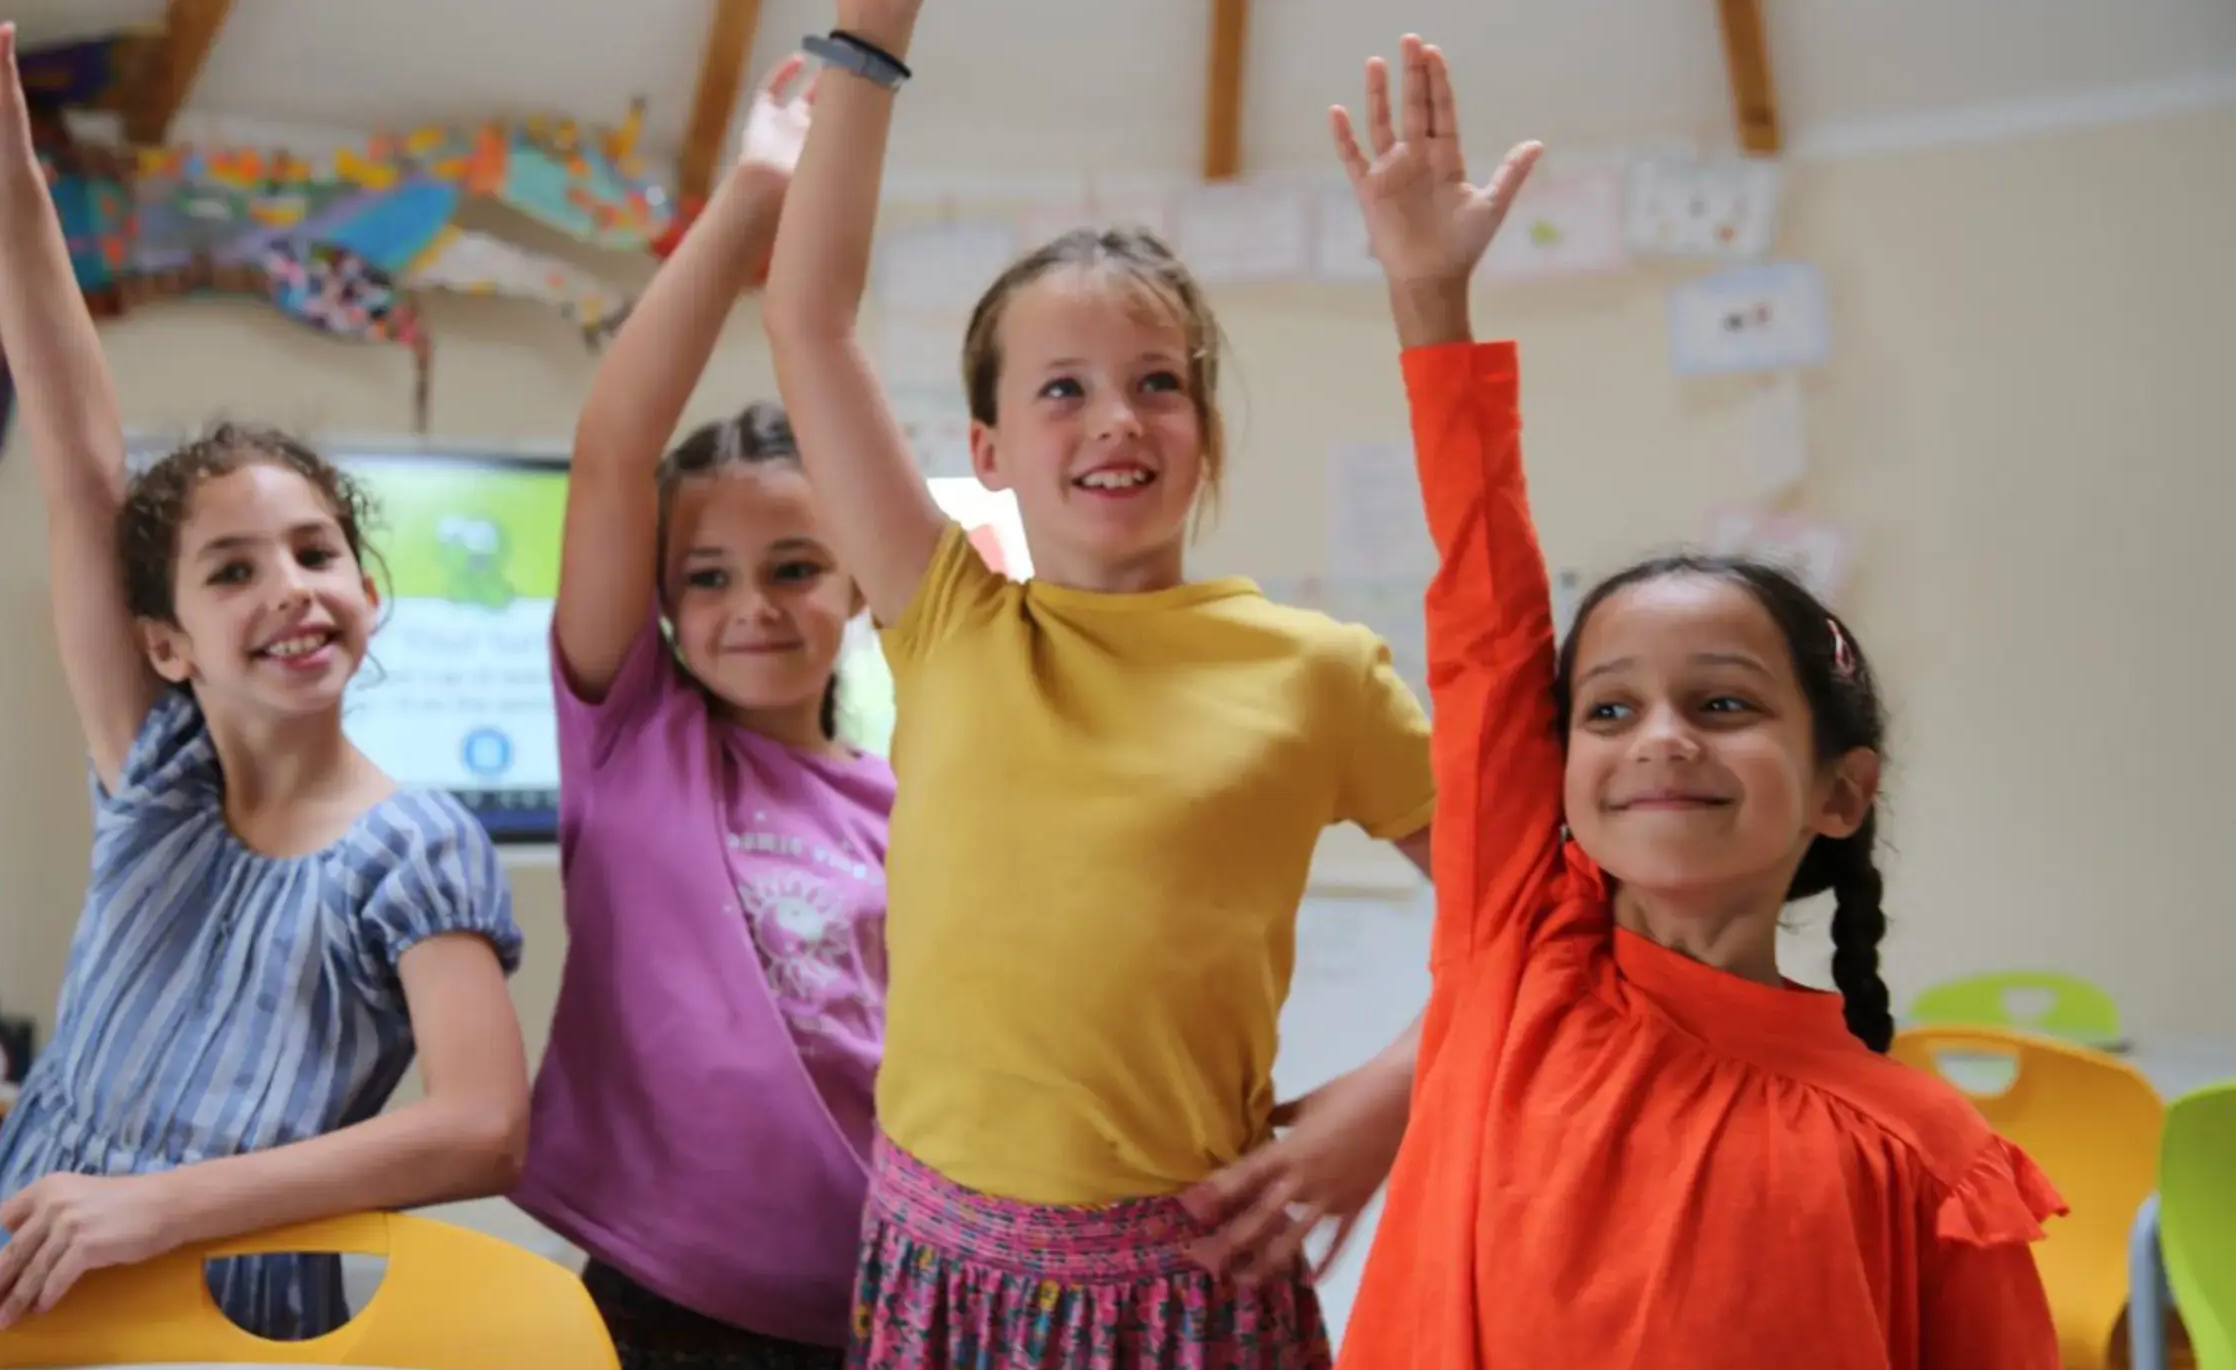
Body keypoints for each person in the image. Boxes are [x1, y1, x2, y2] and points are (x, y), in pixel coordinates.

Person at [1320, 35, 2066, 1369]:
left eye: (1722, 704)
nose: (1659, 734)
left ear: (1842, 787)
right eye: (1607, 710)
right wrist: (1430, 294)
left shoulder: (1928, 1157)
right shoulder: (1515, 947)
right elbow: (1486, 622)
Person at [761, 4, 1441, 1363]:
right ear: (989, 448)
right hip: (933, 1269)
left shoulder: (1317, 673)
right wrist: (867, 39)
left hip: (1188, 1280)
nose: (1118, 417)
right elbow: (807, 316)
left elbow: (1526, 915)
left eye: (1158, 384)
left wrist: (1394, 1094)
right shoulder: (947, 615)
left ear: (1206, 436)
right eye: (1062, 389)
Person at [0, 1, 528, 1358]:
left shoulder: (416, 847)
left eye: (315, 549)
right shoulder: (156, 775)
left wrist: (162, 1206)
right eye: (231, 569)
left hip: (225, 1309)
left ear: (366, 590)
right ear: (165, 640)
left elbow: (485, 1124)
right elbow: (78, 468)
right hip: (29, 1272)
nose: (291, 584)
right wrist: (8, 188)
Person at [510, 54, 894, 1370]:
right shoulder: (633, 740)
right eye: (707, 578)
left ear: (855, 581)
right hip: (662, 1309)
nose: (754, 607)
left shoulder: (916, 800)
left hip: (880, 1308)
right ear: (664, 602)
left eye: (795, 568)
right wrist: (752, 197)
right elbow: (615, 446)